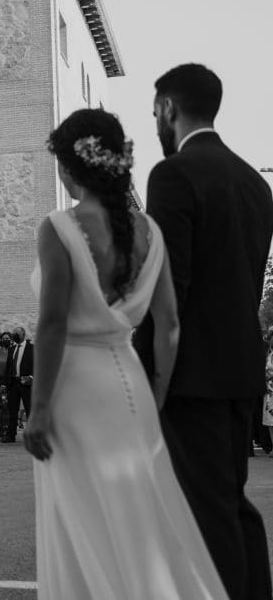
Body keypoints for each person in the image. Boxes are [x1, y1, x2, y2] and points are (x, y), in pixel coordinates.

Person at [26, 108, 227, 598]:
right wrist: (156, 396)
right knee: (139, 515)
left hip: (74, 390)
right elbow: (170, 326)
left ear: (73, 165)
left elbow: (52, 324)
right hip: (131, 387)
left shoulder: (59, 226)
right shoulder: (152, 232)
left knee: (79, 518)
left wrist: (39, 410)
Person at [133, 63, 273, 599]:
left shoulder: (173, 176)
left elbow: (171, 291)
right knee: (232, 504)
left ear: (169, 108)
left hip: (192, 380)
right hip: (241, 372)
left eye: (154, 114)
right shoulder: (254, 183)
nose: (155, 125)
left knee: (204, 512)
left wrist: (148, 383)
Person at [1, 326, 33, 443]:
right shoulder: (11, 349)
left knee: (30, 409)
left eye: (17, 334)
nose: (14, 336)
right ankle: (10, 435)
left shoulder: (32, 348)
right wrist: (4, 383)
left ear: (23, 334)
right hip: (13, 383)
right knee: (12, 410)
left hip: (27, 383)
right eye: (13, 334)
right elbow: (8, 368)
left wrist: (31, 377)